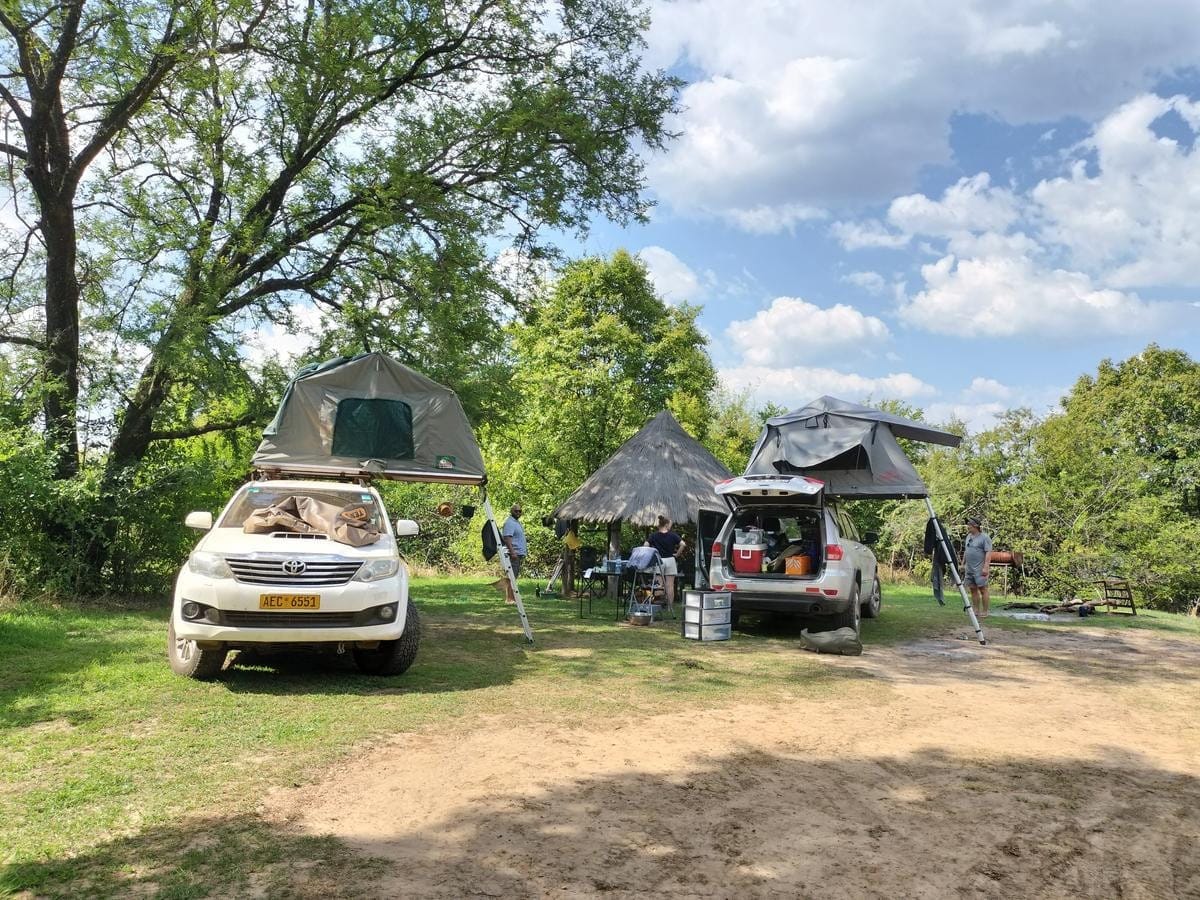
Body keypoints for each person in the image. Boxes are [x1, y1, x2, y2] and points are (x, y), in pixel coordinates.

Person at [645, 515, 685, 612]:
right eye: (670, 524)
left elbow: (646, 544)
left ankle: (658, 607)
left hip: (659, 561)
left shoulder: (654, 535)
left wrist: (650, 554)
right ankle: (670, 607)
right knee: (670, 585)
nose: (670, 526)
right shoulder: (673, 535)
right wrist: (677, 554)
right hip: (670, 560)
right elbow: (683, 544)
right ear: (666, 524)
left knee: (659, 584)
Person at [961, 516, 993, 618]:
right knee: (972, 589)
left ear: (976, 526)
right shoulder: (968, 537)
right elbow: (966, 551)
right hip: (969, 568)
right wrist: (963, 563)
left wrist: (986, 567)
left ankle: (985, 611)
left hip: (980, 568)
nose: (968, 527)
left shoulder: (984, 537)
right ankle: (976, 610)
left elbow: (988, 552)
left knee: (983, 589)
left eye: (969, 525)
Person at [500, 504, 527, 604]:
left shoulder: (516, 522)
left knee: (513, 577)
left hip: (517, 554)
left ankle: (511, 598)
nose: (518, 513)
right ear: (512, 511)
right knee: (511, 577)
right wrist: (513, 552)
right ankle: (510, 599)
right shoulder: (510, 523)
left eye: (520, 511)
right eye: (516, 511)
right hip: (513, 554)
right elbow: (507, 538)